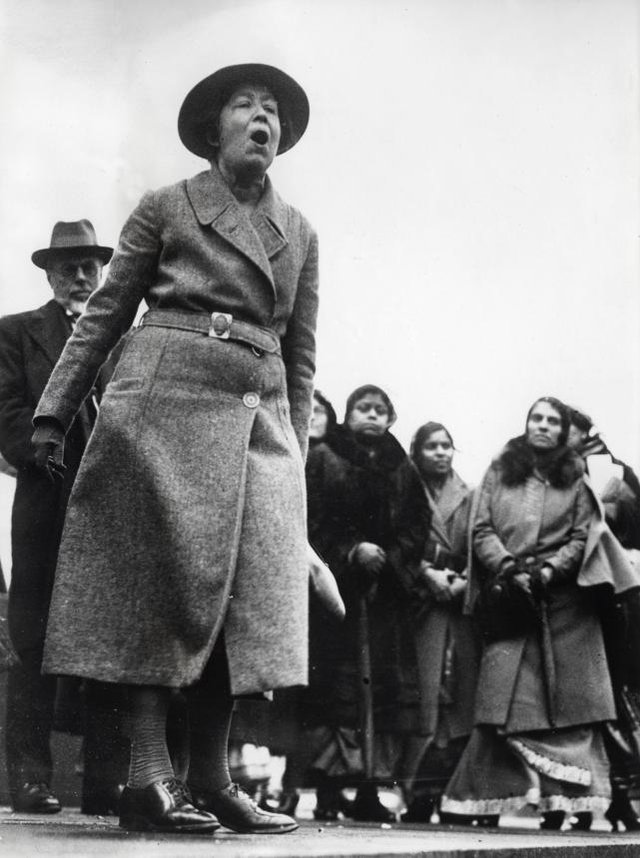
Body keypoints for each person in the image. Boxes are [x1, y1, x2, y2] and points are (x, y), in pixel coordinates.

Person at [31, 63, 317, 836]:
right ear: (214, 126)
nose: (264, 119)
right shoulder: (167, 206)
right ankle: (146, 779)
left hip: (259, 421)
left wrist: (291, 453)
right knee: (157, 587)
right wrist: (54, 413)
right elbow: (103, 314)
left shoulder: (302, 233)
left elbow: (301, 354)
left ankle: (213, 779)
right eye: (247, 106)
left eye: (275, 112)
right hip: (162, 403)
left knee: (243, 595)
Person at [441, 396, 637, 830]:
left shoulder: (579, 475)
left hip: (567, 607)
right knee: (501, 704)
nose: (543, 426)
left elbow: (585, 532)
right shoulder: (499, 470)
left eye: (552, 420)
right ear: (526, 423)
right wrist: (509, 568)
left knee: (574, 710)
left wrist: (549, 571)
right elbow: (481, 527)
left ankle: (572, 805)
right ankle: (484, 801)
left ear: (564, 429)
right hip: (511, 600)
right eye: (537, 418)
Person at [0, 220, 128, 814]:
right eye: (68, 267)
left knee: (108, 643)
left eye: (90, 266)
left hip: (113, 513)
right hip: (47, 507)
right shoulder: (16, 332)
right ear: (48, 273)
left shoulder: (126, 338)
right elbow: (5, 412)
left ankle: (106, 780)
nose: (81, 276)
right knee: (32, 642)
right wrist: (44, 451)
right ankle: (29, 777)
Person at [303, 384, 430, 821]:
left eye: (381, 410)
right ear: (349, 413)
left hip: (385, 601)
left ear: (391, 418)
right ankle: (328, 786)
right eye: (363, 408)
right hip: (337, 598)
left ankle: (371, 788)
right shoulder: (324, 457)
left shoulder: (403, 467)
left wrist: (390, 561)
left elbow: (417, 525)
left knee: (383, 693)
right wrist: (352, 552)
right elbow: (311, 519)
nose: (372, 416)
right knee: (336, 692)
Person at [400, 422, 480, 823]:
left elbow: (482, 539)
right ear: (418, 451)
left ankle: (453, 795)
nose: (440, 452)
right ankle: (415, 795)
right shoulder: (405, 489)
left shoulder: (472, 496)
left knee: (461, 702)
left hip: (461, 603)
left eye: (447, 445)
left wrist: (466, 579)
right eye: (431, 446)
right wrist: (424, 574)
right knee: (424, 702)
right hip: (422, 603)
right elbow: (398, 536)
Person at [567, 406, 640, 831]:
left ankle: (618, 792)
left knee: (609, 699)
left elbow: (620, 517)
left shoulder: (608, 471)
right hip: (585, 598)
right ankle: (607, 794)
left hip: (608, 597)